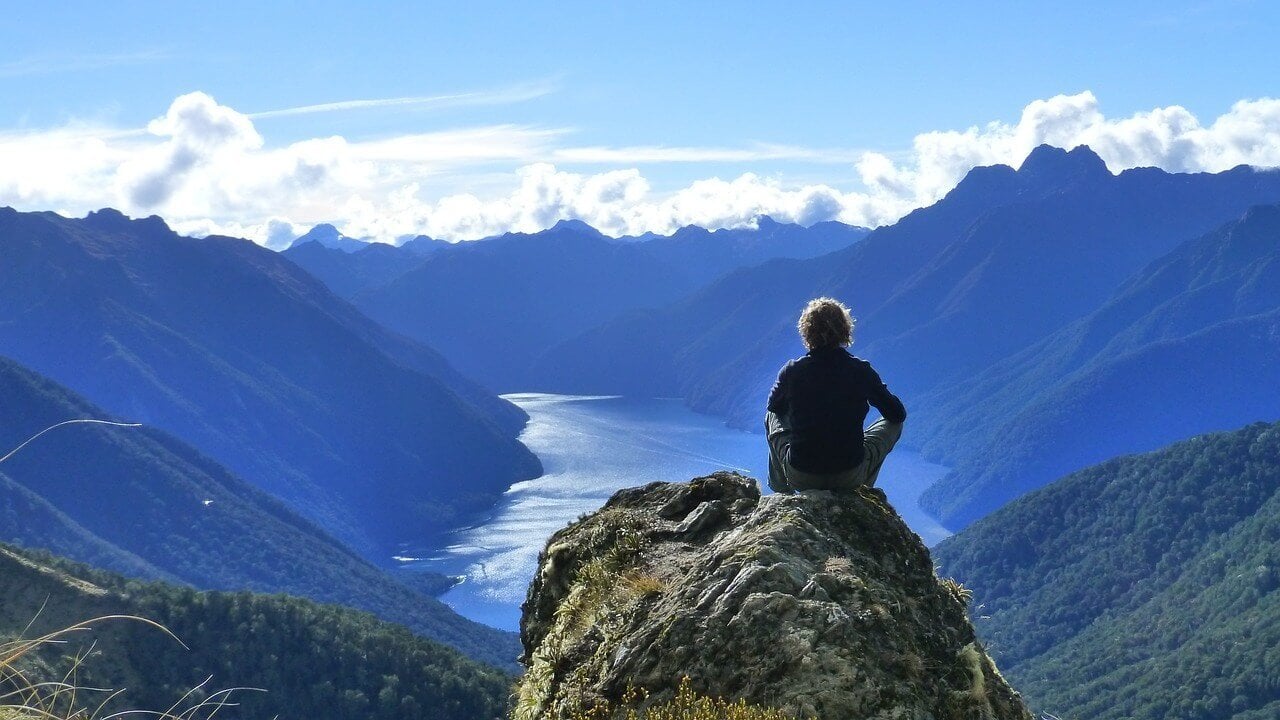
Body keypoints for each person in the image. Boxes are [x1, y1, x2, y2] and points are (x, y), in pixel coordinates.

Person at [766, 297, 906, 494]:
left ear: (807, 332)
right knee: (894, 424)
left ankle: (781, 490)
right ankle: (861, 488)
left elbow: (774, 408)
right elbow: (897, 414)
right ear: (845, 331)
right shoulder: (860, 370)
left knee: (772, 415)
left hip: (802, 476)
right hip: (848, 475)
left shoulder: (792, 371)